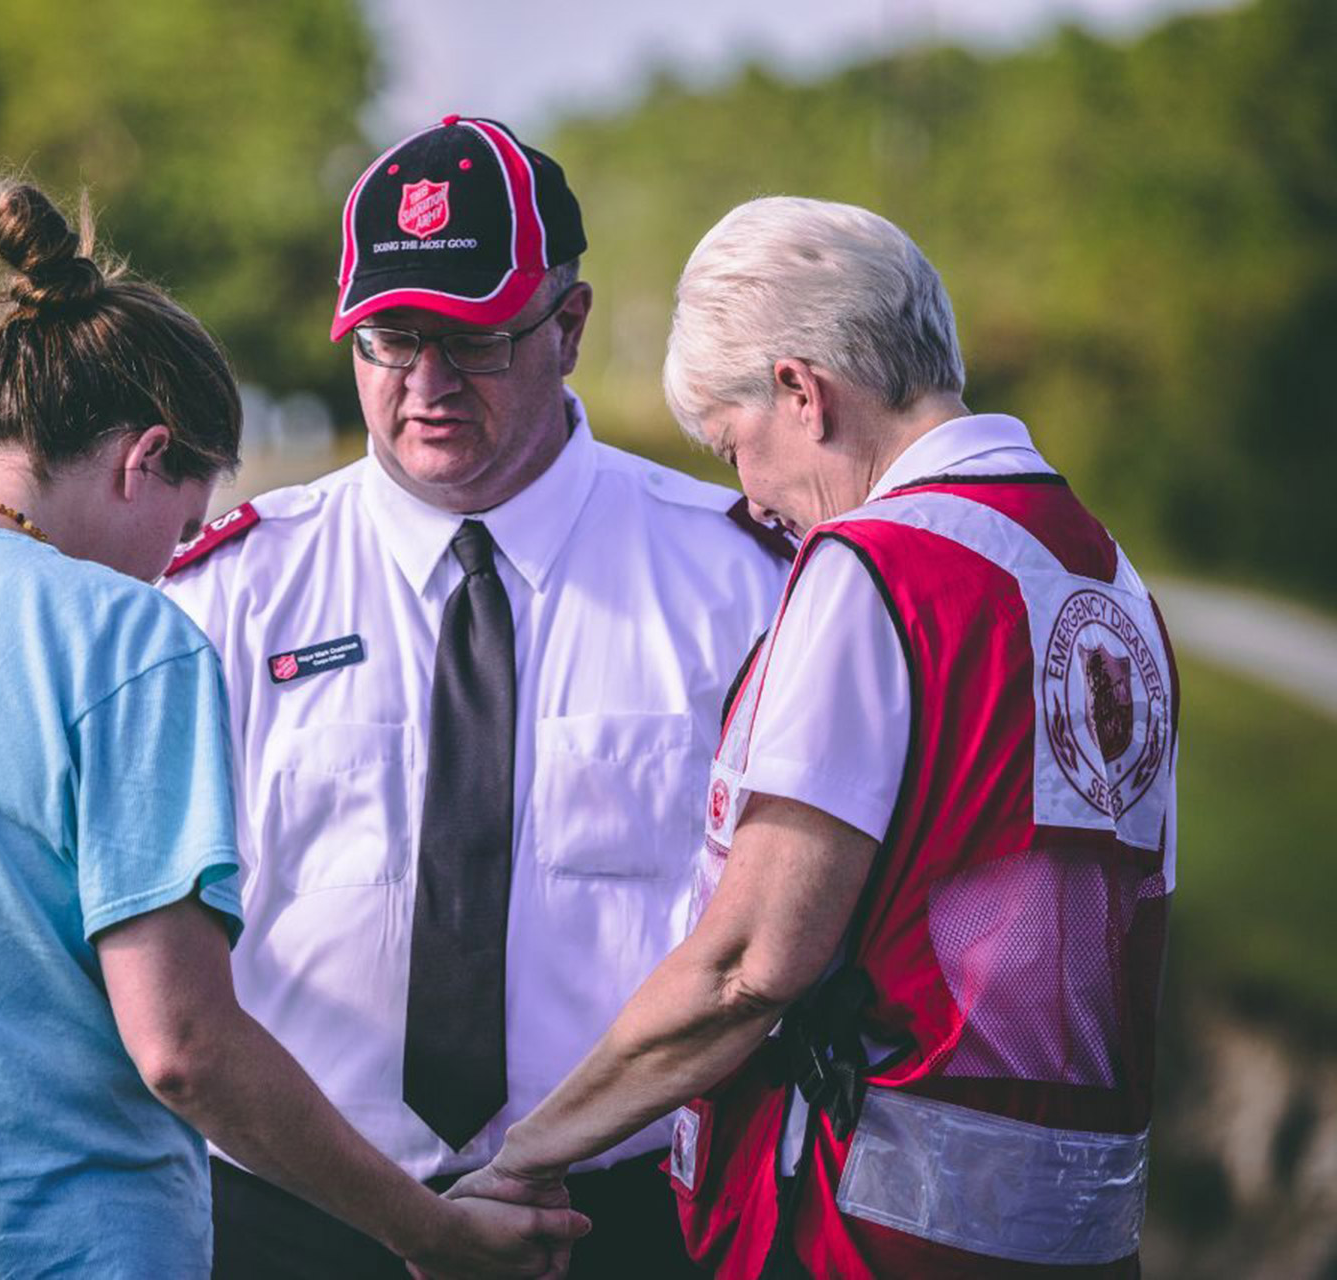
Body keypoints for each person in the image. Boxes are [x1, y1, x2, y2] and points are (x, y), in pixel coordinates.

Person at [0, 180, 589, 1279]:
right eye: (184, 526)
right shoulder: (122, 634)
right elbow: (184, 1048)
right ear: (145, 458)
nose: (175, 562)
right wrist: (428, 1231)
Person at [449, 196, 1181, 1277]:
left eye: (733, 441)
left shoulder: (878, 567)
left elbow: (751, 962)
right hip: (1079, 1222)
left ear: (801, 390)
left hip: (882, 1223)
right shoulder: (1102, 566)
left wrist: (524, 1155)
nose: (747, 488)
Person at [160, 115, 791, 1278]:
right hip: (291, 1223)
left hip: (620, 1224)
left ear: (571, 325)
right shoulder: (231, 592)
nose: (428, 384)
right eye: (392, 339)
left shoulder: (735, 583)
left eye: (477, 340)